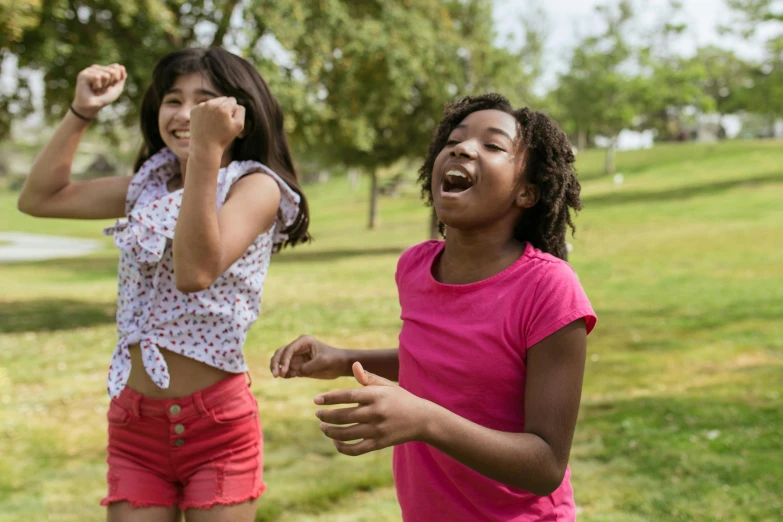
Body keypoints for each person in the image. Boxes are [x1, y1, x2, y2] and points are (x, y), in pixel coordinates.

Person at [270, 93, 596, 522]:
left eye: (493, 145)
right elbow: (443, 367)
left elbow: (546, 465)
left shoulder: (548, 288)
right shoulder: (416, 267)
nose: (462, 148)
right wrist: (343, 359)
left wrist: (425, 420)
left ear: (527, 192)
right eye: (454, 140)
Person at [18, 47, 310, 522]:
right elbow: (40, 198)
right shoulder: (149, 185)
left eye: (205, 100)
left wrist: (206, 153)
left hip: (217, 427)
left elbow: (195, 271)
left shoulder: (255, 187)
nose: (185, 113)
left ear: (240, 115)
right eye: (173, 99)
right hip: (137, 427)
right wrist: (82, 112)